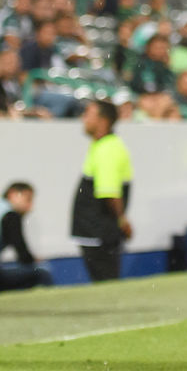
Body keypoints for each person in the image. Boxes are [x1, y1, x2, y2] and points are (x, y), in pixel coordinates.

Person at [68, 100, 133, 282]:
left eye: (88, 114)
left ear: (103, 121)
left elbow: (110, 193)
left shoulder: (107, 149)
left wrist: (121, 222)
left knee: (105, 281)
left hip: (100, 234)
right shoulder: (101, 146)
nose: (83, 119)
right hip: (95, 233)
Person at [0, 181, 52, 291]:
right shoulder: (10, 215)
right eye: (28, 200)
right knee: (41, 273)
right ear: (12, 194)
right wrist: (33, 260)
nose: (30, 207)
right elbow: (23, 255)